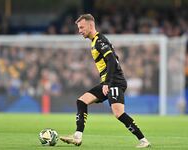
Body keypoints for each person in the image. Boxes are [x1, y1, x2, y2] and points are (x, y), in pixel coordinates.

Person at [60, 14, 151, 148]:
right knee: (82, 101)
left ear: (91, 25)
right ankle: (77, 136)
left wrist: (107, 82)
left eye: (81, 27)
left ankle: (143, 140)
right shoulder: (94, 42)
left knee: (118, 113)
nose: (79, 30)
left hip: (114, 81)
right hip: (108, 81)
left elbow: (112, 61)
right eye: (78, 28)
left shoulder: (99, 41)